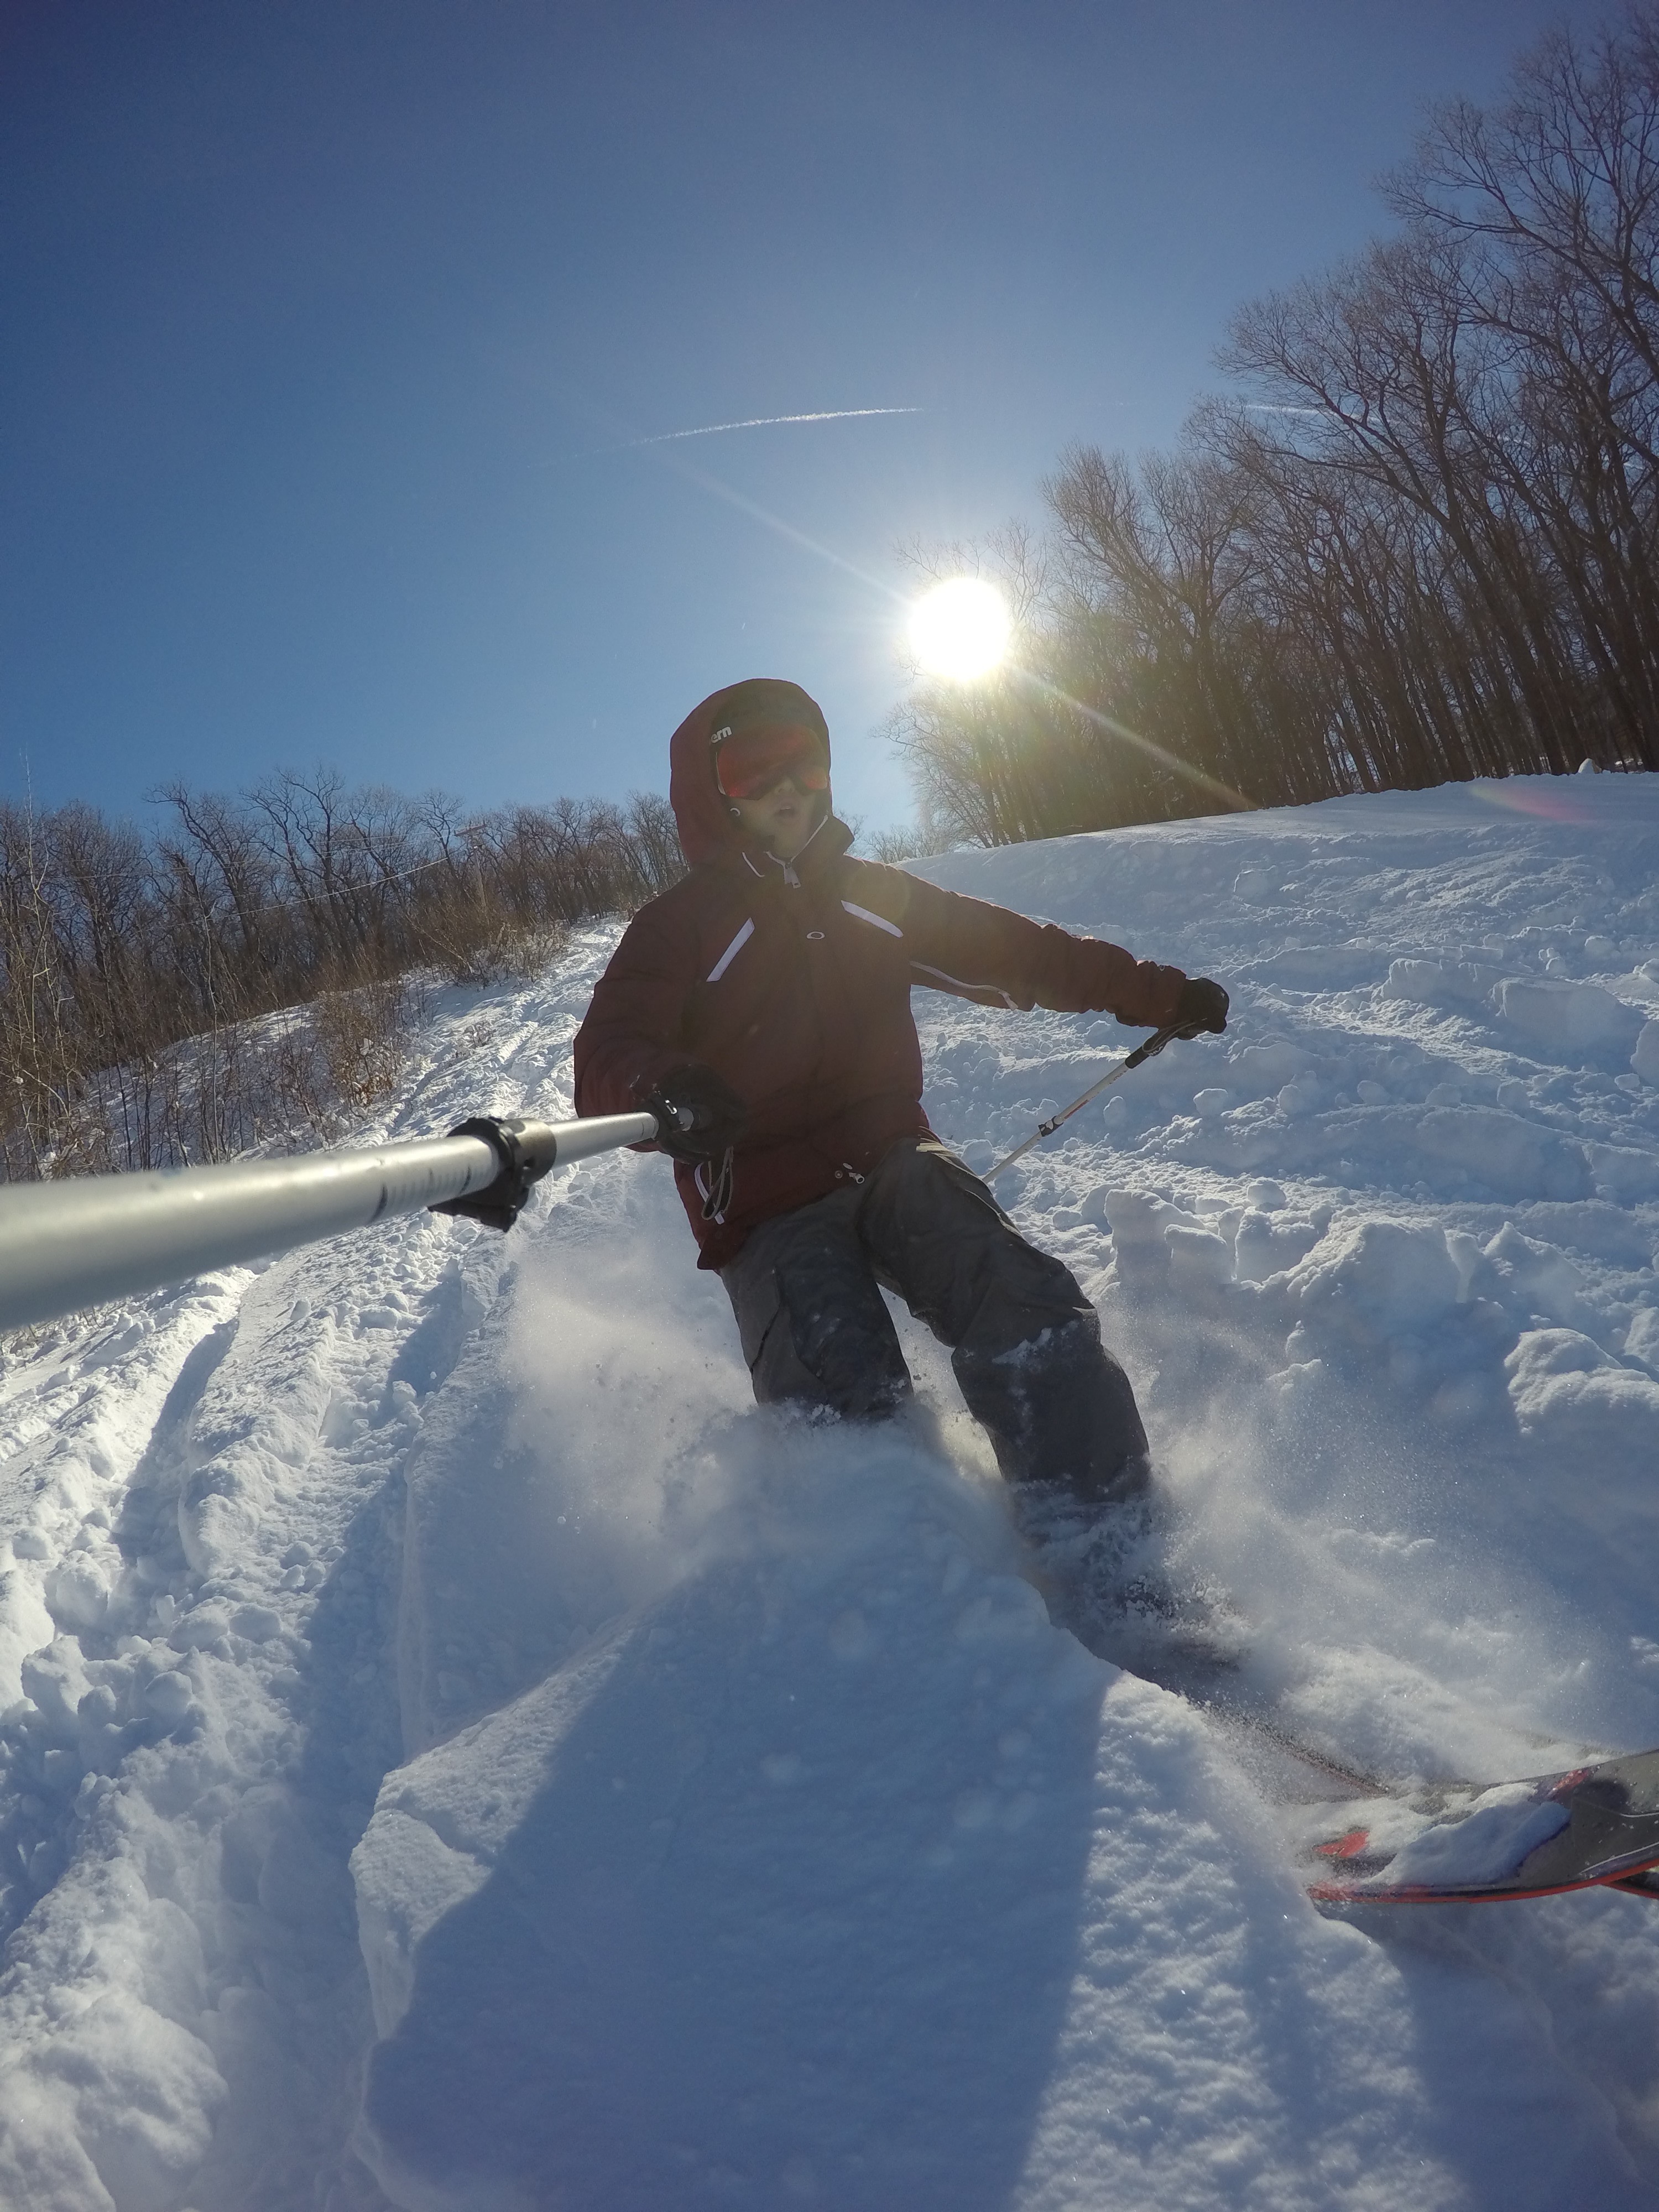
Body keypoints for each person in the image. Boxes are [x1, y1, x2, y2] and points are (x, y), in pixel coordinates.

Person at [572, 677, 1228, 1512]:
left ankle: (1107, 1527)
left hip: (890, 1156)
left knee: (1019, 1296)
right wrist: (663, 1089)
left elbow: (1022, 953)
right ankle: (911, 1585)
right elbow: (606, 1056)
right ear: (713, 794)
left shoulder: (874, 896)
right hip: (763, 1203)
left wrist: (1158, 993)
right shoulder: (678, 925)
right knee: (844, 1401)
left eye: (803, 766)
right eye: (750, 769)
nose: (784, 788)